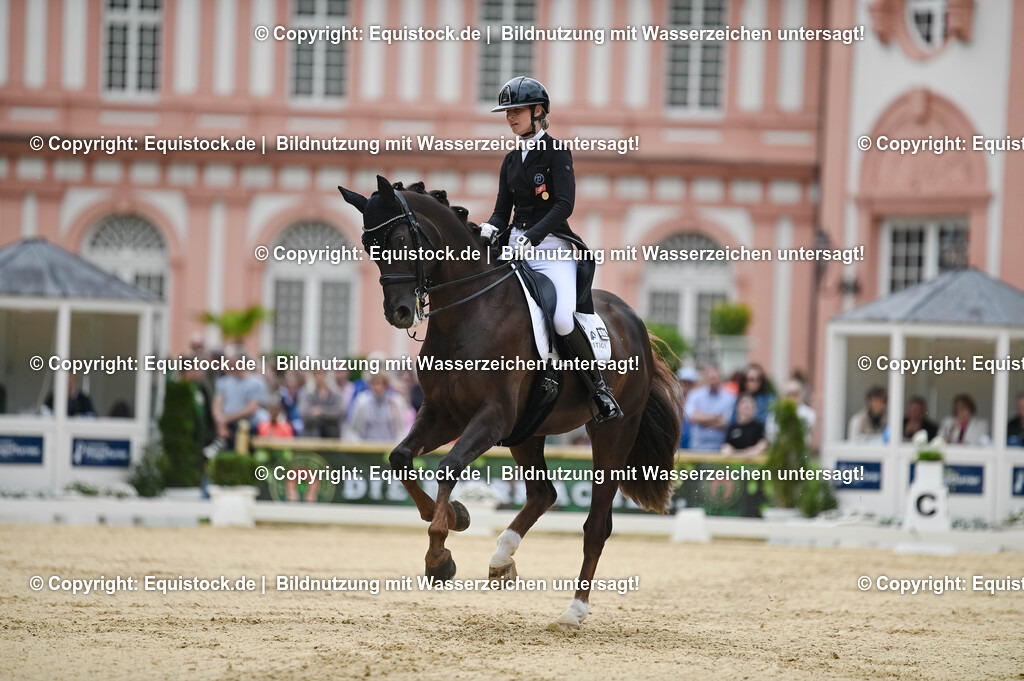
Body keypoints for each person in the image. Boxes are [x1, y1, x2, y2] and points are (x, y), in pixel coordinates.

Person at [477, 75, 621, 423]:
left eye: (517, 111)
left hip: (553, 249)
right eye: (507, 112)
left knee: (559, 319)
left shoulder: (557, 153)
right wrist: (489, 228)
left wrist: (535, 236)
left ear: (538, 111)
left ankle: (599, 389)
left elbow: (563, 205)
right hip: (515, 248)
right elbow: (502, 210)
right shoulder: (511, 160)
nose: (510, 117)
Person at [212, 349, 265, 449]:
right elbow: (217, 404)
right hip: (228, 429)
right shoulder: (223, 382)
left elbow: (251, 408)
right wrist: (221, 425)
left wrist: (226, 419)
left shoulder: (256, 383)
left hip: (249, 428)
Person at [684, 365, 736, 451]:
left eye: (715, 378)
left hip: (719, 448)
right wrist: (716, 416)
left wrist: (701, 418)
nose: (713, 381)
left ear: (720, 378)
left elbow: (725, 422)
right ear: (706, 378)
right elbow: (691, 417)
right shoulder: (695, 395)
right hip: (696, 447)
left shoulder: (730, 397)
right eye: (711, 378)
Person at [347, 372, 411, 442]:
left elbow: (401, 429)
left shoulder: (396, 402)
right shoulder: (361, 402)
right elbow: (354, 428)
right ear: (370, 385)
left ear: (386, 386)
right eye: (374, 384)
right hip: (366, 447)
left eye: (380, 384)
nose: (377, 387)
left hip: (389, 447)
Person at [766, 379, 817, 443]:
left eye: (795, 393)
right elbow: (771, 432)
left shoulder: (809, 413)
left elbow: (805, 431)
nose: (792, 397)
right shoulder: (776, 413)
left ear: (801, 394)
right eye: (789, 393)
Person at [300, 370, 346, 438]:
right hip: (311, 437)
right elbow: (304, 413)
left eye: (322, 374)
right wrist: (329, 417)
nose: (319, 377)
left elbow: (339, 413)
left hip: (332, 438)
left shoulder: (335, 393)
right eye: (316, 374)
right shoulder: (307, 393)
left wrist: (321, 411)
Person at [721, 394, 768, 458]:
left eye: (750, 403)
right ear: (737, 406)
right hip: (735, 464)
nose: (747, 405)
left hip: (753, 463)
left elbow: (763, 443)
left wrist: (756, 450)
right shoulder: (732, 427)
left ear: (754, 407)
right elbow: (727, 444)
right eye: (743, 402)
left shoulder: (759, 426)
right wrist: (727, 449)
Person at [676, 366, 699, 449]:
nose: (685, 385)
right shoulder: (672, 401)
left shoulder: (699, 400)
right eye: (682, 382)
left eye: (689, 383)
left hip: (695, 445)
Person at [279, 370, 305, 436]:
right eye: (288, 377)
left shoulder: (302, 393)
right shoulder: (282, 393)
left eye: (293, 377)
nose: (290, 379)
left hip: (300, 422)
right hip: (286, 423)